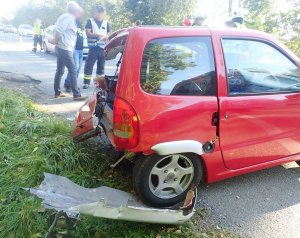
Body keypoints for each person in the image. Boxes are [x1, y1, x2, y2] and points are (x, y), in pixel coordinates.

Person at [51, 1, 86, 100]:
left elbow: (58, 30)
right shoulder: (68, 17)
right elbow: (59, 30)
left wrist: (55, 41)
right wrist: (55, 40)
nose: (80, 13)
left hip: (62, 47)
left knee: (60, 71)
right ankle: (76, 94)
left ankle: (57, 92)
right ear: (75, 10)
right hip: (64, 48)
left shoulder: (66, 17)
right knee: (73, 70)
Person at [82, 4, 110, 89]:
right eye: (98, 12)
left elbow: (108, 34)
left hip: (102, 48)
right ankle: (86, 82)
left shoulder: (106, 23)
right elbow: (88, 33)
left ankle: (99, 83)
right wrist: (98, 35)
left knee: (101, 67)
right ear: (95, 12)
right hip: (93, 47)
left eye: (101, 12)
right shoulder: (90, 21)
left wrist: (106, 36)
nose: (99, 14)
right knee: (89, 65)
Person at [64, 19, 84, 93]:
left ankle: (73, 84)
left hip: (81, 50)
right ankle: (68, 83)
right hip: (75, 50)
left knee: (78, 69)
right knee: (75, 68)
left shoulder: (80, 27)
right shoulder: (72, 25)